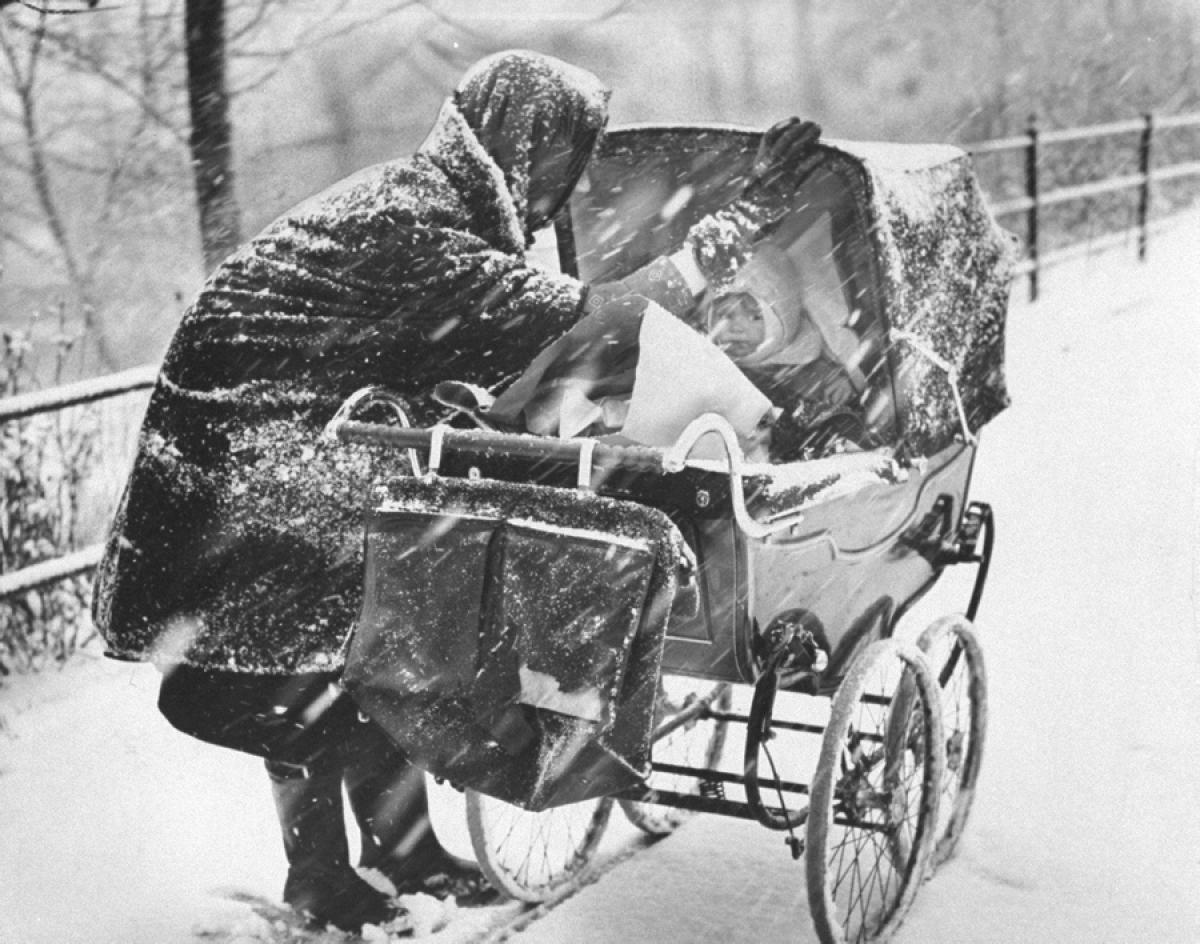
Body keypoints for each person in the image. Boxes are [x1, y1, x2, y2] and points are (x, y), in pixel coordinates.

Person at [93, 48, 822, 932]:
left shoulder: (419, 197)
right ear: (520, 142)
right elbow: (586, 320)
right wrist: (725, 234)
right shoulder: (419, 223)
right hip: (261, 469)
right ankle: (349, 872)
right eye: (560, 163)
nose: (562, 188)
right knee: (316, 662)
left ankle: (395, 861)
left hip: (255, 460)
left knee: (332, 654)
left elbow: (464, 342)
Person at [705, 245, 873, 460]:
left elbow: (835, 427)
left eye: (755, 316)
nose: (737, 328)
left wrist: (843, 391)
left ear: (782, 318)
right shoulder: (708, 364)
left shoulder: (810, 370)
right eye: (724, 315)